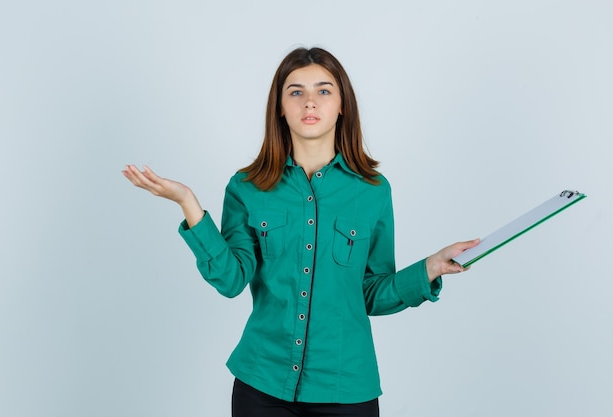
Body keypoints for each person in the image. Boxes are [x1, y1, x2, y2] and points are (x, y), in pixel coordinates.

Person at [123, 47, 479, 417]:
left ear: (343, 105)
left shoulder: (372, 191)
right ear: (280, 106)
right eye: (296, 92)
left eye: (323, 91)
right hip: (261, 385)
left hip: (346, 389)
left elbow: (370, 293)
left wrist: (429, 269)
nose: (310, 102)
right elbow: (230, 280)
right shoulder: (247, 187)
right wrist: (188, 203)